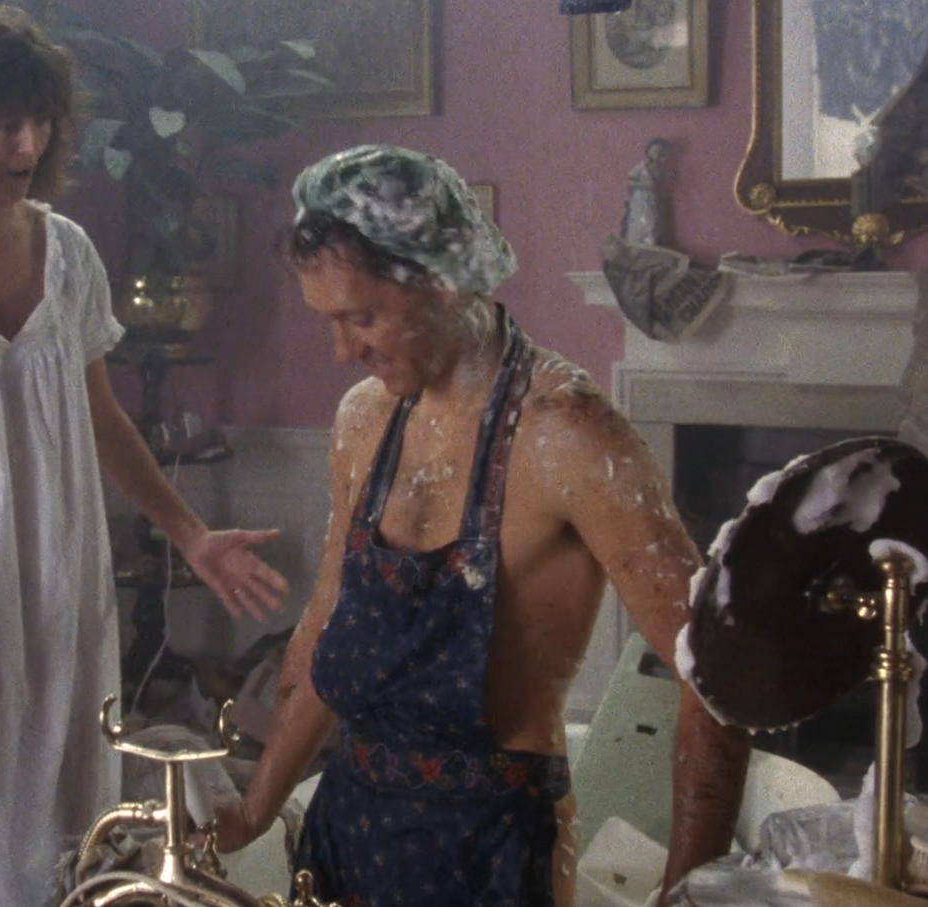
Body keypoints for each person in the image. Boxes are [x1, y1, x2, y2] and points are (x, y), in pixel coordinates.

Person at [0, 8, 289, 906]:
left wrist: (191, 535)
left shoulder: (67, 254)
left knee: (64, 832)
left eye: (41, 122)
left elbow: (104, 419)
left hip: (59, 593)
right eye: (6, 124)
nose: (28, 144)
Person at [206, 145, 751, 907]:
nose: (342, 350)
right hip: (345, 830)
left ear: (440, 280)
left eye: (362, 316)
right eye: (330, 320)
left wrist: (686, 891)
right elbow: (328, 623)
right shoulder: (364, 418)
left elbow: (714, 675)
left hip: (492, 850)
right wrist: (255, 810)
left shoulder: (567, 431)